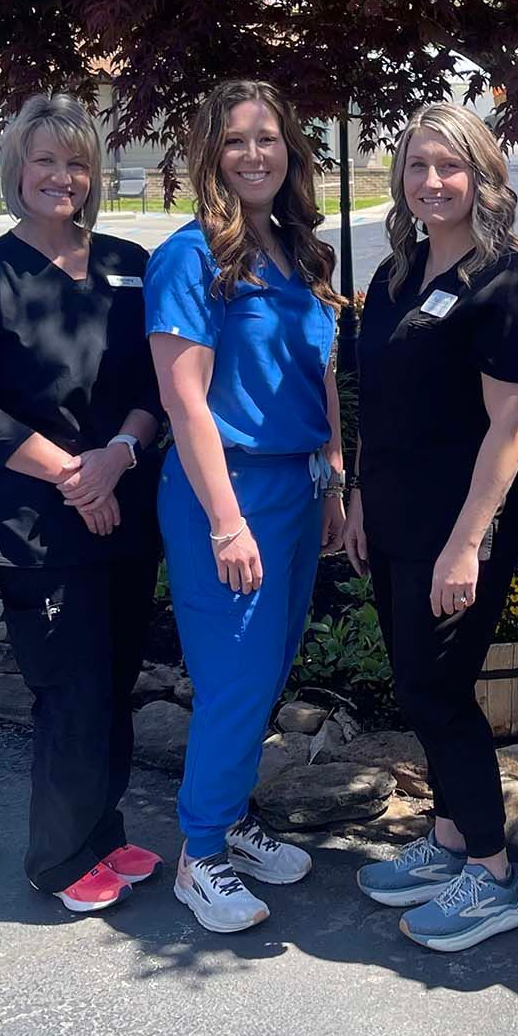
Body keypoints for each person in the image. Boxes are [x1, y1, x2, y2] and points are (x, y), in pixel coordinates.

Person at [0, 94, 165, 916]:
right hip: (41, 520)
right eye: (44, 162)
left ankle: (103, 831)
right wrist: (72, 474)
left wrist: (118, 455)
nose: (61, 177)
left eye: (75, 163)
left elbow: (152, 385)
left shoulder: (128, 263)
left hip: (126, 503)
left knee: (116, 679)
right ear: (15, 173)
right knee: (68, 688)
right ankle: (58, 860)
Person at [344, 104, 518, 951]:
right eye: (418, 166)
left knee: (438, 689)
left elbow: (514, 429)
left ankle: (495, 876)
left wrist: (466, 543)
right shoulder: (399, 273)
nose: (432, 182)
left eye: (451, 167)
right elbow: (378, 400)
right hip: (393, 514)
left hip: (458, 527)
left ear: (483, 176)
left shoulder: (509, 285)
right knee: (415, 683)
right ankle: (447, 839)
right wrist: (360, 496)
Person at [146, 79, 348, 933]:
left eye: (268, 138)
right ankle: (199, 854)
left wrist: (333, 473)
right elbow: (186, 403)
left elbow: (322, 374)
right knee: (235, 680)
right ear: (210, 155)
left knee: (266, 669)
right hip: (224, 493)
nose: (255, 154)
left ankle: (229, 816)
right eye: (235, 141)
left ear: (290, 150)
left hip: (296, 486)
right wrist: (227, 520)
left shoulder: (301, 253)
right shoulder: (190, 259)